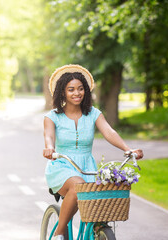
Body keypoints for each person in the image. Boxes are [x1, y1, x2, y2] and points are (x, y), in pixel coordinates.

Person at [43, 64, 143, 240]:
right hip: (61, 165)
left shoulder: (93, 114)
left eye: (81, 89)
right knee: (78, 186)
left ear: (86, 91)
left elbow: (109, 132)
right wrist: (49, 148)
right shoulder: (52, 116)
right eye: (71, 89)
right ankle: (59, 232)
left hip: (87, 167)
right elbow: (49, 136)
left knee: (98, 207)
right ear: (62, 92)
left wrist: (128, 149)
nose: (77, 93)